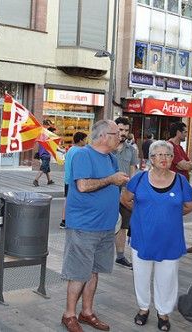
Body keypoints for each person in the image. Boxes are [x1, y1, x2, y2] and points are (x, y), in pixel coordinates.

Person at [61, 120, 129, 332]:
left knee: (94, 271)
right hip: (84, 226)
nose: (121, 137)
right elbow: (83, 186)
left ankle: (87, 312)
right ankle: (69, 314)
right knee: (78, 272)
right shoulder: (83, 154)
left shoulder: (111, 157)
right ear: (103, 136)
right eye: (117, 133)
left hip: (106, 227)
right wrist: (111, 179)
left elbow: (115, 184)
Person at [121, 140, 192, 331]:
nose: (164, 158)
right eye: (159, 155)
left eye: (168, 155)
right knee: (141, 276)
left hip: (170, 240)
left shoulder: (181, 181)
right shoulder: (138, 179)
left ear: (173, 159)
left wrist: (169, 214)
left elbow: (190, 206)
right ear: (151, 159)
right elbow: (126, 200)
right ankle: (143, 308)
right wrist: (143, 214)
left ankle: (163, 313)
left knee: (167, 278)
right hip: (142, 238)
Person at [113, 117, 139, 269]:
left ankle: (120, 256)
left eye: (126, 130)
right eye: (120, 130)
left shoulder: (131, 150)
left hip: (124, 193)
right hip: (108, 191)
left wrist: (132, 190)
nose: (123, 133)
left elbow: (133, 170)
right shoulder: (107, 147)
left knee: (123, 224)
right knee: (107, 223)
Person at [60, 131, 88, 229]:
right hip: (75, 179)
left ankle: (63, 220)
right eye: (85, 139)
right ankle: (75, 220)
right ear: (80, 140)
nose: (86, 141)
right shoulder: (80, 151)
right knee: (77, 200)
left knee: (67, 199)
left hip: (67, 179)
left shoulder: (70, 149)